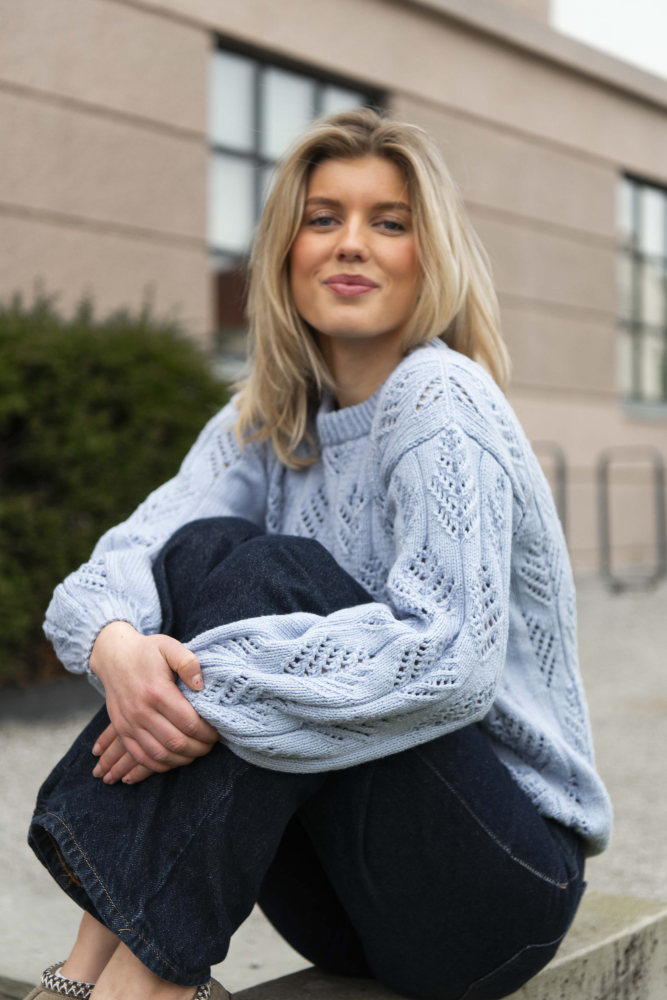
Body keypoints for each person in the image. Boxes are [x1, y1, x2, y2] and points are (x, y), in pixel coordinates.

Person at [27, 109, 612, 1000]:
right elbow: (126, 556)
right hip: (342, 900)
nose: (351, 244)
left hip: (494, 889)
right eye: (323, 218)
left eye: (389, 222)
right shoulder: (266, 416)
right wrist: (118, 652)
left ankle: (134, 985)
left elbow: (450, 664)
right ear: (285, 250)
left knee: (277, 577)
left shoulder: (439, 397)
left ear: (430, 254)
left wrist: (203, 692)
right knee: (205, 551)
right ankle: (91, 970)